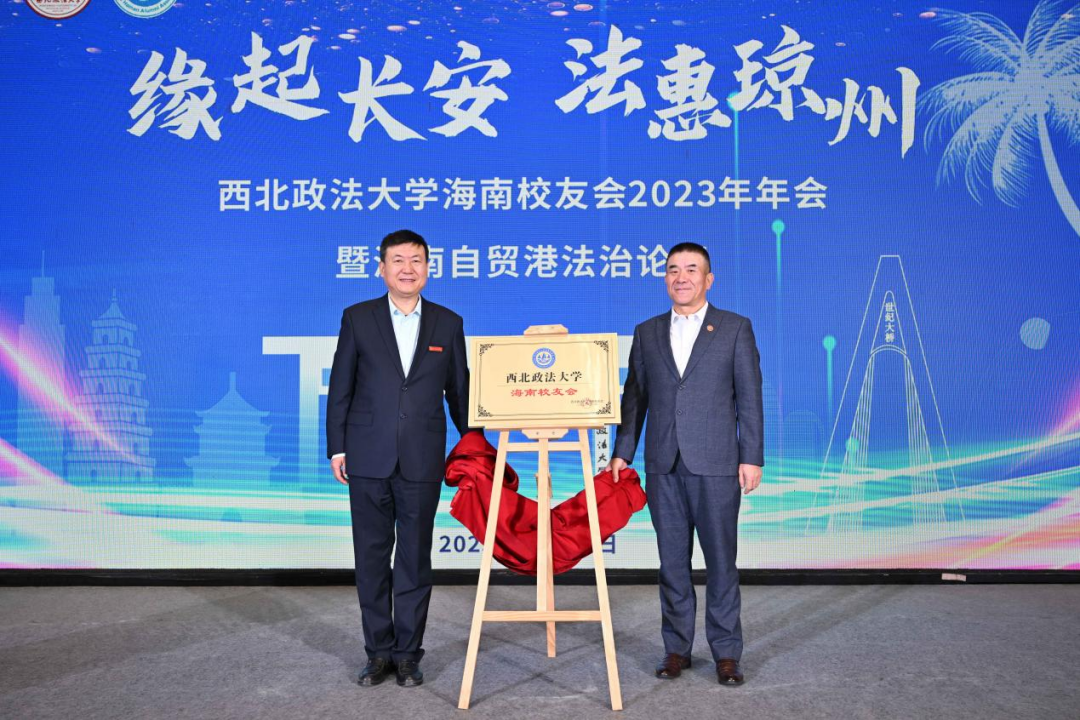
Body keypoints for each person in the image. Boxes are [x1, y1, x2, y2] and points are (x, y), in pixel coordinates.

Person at [607, 241, 764, 685]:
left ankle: (726, 652)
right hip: (664, 464)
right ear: (665, 278)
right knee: (672, 564)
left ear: (708, 279)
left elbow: (749, 398)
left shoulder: (734, 328)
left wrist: (751, 457)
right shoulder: (647, 332)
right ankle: (676, 649)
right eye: (673, 269)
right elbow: (635, 398)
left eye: (692, 269)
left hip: (716, 463)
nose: (682, 277)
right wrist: (623, 450)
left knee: (721, 563)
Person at [326, 229, 471, 688]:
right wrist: (337, 446)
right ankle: (377, 653)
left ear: (428, 268)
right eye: (398, 260)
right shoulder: (358, 318)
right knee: (371, 560)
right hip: (367, 456)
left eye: (416, 260)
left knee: (414, 561)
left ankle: (408, 654)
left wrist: (476, 445)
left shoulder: (448, 323)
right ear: (382, 268)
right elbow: (341, 387)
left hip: (422, 459)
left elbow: (460, 394)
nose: (408, 269)